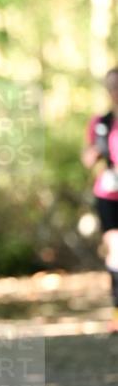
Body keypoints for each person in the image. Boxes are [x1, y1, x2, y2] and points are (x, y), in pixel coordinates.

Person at [82, 67, 118, 334]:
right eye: (111, 87)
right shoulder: (101, 122)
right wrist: (96, 152)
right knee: (116, 253)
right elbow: (87, 158)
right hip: (108, 194)